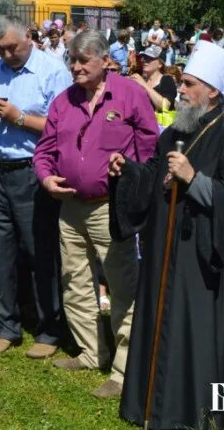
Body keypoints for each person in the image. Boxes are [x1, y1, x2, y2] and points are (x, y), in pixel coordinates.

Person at [108, 41, 224, 430]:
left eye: (188, 84)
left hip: (200, 257)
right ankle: (148, 405)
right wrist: (128, 173)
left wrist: (195, 180)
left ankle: (190, 411)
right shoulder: (175, 131)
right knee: (158, 319)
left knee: (193, 333)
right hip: (164, 250)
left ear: (213, 91)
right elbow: (155, 173)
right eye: (181, 83)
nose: (181, 91)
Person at [34, 31, 158, 398]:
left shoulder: (130, 94)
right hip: (70, 207)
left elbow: (149, 148)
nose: (75, 67)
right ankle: (91, 351)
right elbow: (44, 151)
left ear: (105, 61)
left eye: (83, 61)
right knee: (75, 280)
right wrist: (45, 178)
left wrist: (131, 170)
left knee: (122, 286)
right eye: (71, 60)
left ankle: (123, 368)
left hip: (111, 206)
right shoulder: (63, 101)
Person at [0, 16, 72, 358]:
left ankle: (49, 328)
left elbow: (65, 128)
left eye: (13, 47)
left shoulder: (53, 71)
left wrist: (18, 118)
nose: (8, 54)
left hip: (34, 171)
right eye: (1, 49)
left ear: (29, 37)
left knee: (39, 250)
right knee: (0, 250)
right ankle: (5, 325)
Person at [130, 45, 177, 114]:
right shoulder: (140, 79)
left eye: (150, 58)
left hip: (159, 123)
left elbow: (165, 107)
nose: (144, 61)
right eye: (144, 57)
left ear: (160, 64)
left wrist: (144, 84)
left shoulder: (167, 80)